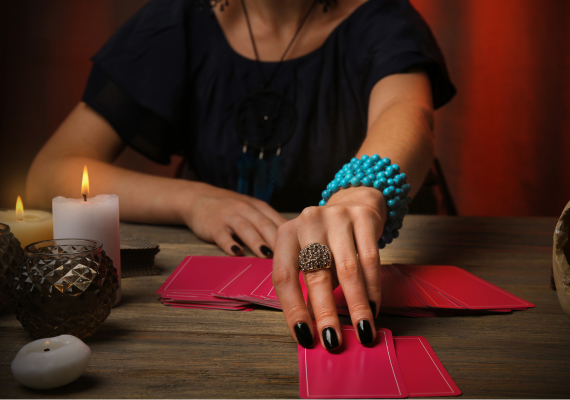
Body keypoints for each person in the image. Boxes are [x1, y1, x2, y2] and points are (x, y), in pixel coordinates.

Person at [26, 0, 455, 351]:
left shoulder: (383, 18)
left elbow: (408, 113)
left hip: (379, 279)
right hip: (216, 312)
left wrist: (359, 195)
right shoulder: (175, 20)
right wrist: (194, 201)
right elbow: (50, 173)